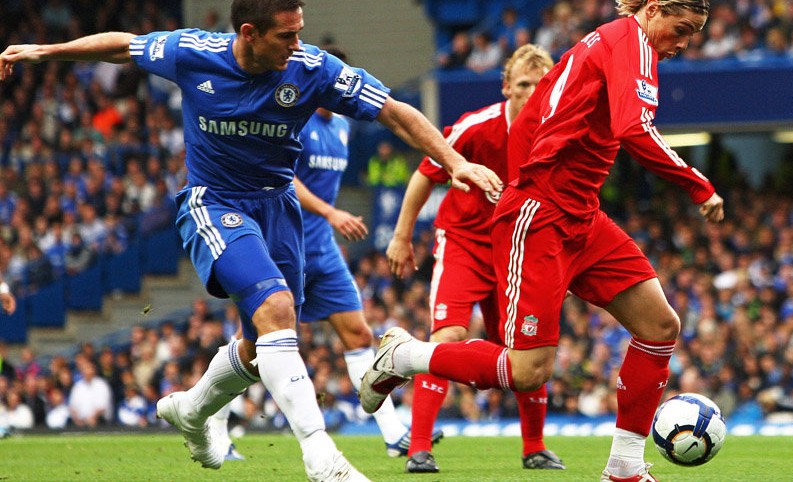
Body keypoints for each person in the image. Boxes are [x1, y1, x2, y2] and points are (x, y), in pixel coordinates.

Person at [0, 2, 502, 479]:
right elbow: (123, 46)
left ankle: (192, 409)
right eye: (287, 35)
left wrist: (455, 162)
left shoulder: (312, 68)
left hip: (278, 207)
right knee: (277, 310)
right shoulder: (194, 52)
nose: (297, 43)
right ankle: (321, 457)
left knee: (260, 346)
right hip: (214, 202)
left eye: (299, 31)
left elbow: (394, 111)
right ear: (249, 33)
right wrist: (46, 52)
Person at [361, 1, 725, 482]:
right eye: (681, 29)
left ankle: (624, 469)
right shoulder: (629, 43)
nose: (684, 43)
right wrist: (699, 185)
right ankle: (404, 356)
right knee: (529, 370)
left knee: (660, 326)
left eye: (693, 34)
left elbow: (538, 114)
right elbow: (633, 129)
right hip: (541, 216)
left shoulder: (612, 43)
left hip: (582, 215)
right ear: (654, 10)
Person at [386, 44, 562, 473]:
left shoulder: (557, 135)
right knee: (447, 337)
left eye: (540, 85)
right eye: (523, 84)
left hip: (517, 252)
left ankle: (535, 447)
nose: (531, 93)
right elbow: (425, 174)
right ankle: (419, 448)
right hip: (464, 244)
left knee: (527, 347)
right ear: (506, 87)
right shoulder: (476, 126)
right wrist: (401, 236)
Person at [292, 45, 441, 459]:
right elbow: (283, 176)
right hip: (285, 242)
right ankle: (212, 422)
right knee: (256, 342)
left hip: (322, 247)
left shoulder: (341, 127)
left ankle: (394, 436)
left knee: (358, 335)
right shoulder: (297, 120)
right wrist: (330, 212)